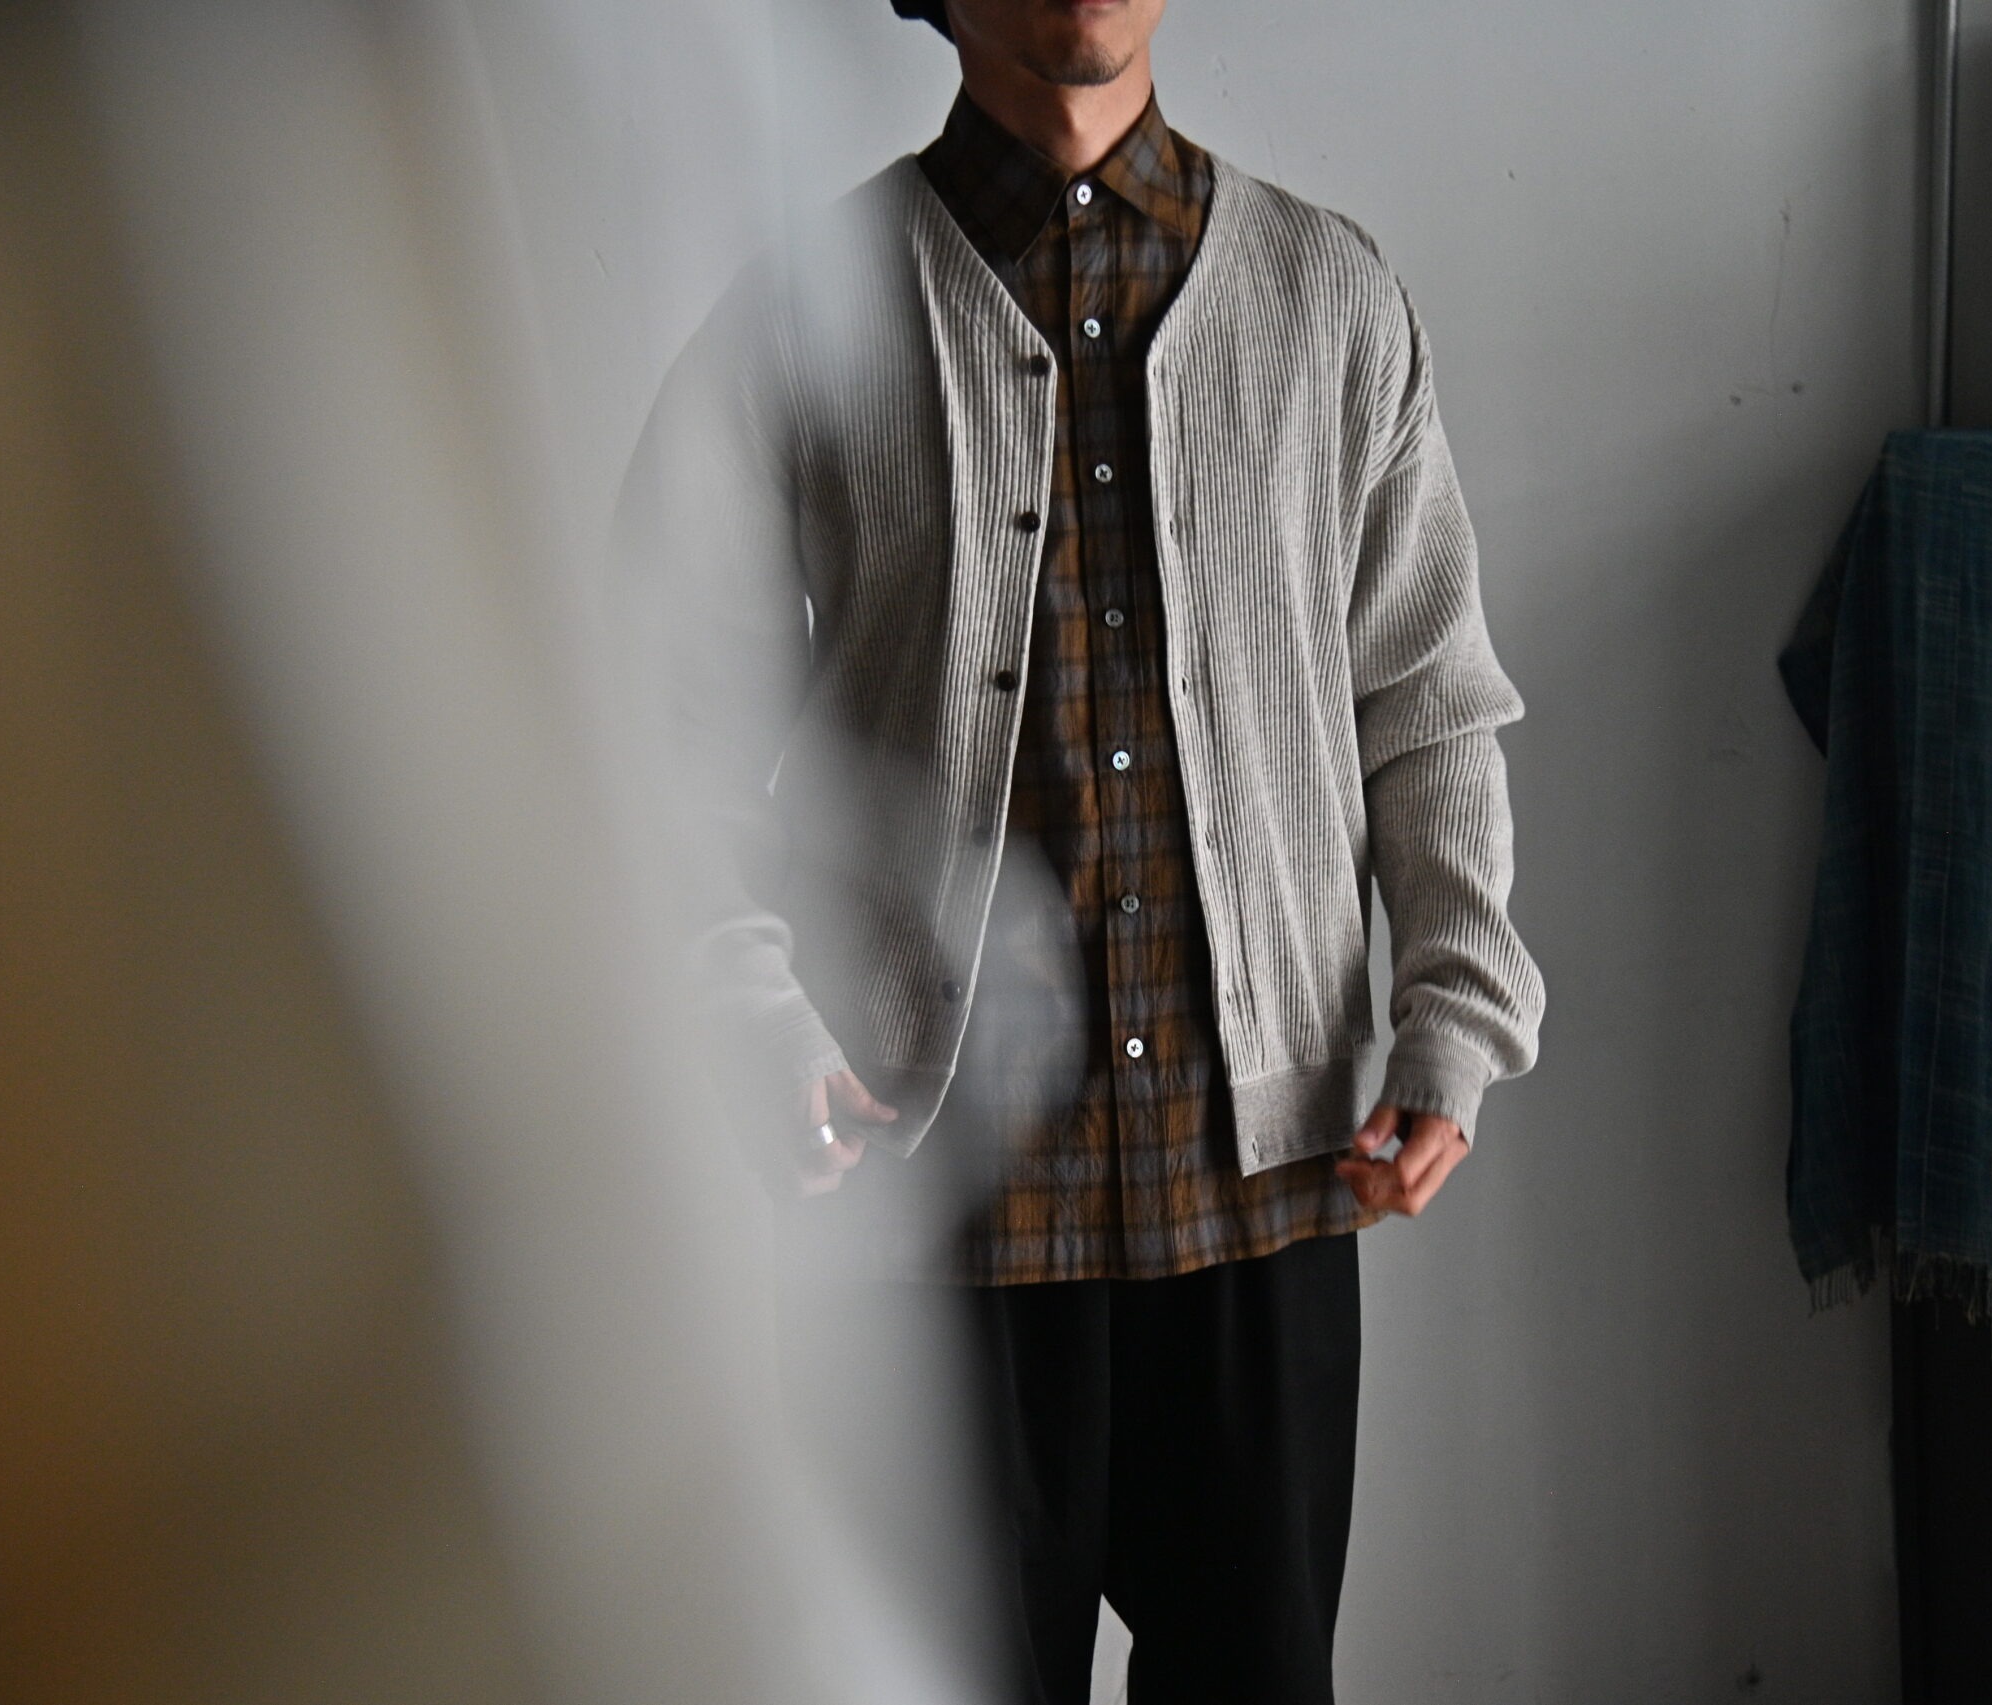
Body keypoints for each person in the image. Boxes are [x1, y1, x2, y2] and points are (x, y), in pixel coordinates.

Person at [619, 2, 1542, 1699]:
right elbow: (646, 736)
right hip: (929, 1221)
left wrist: (1455, 1011)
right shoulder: (806, 318)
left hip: (1261, 1200)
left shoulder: (1331, 299)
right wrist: (759, 1022)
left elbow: (1426, 698)